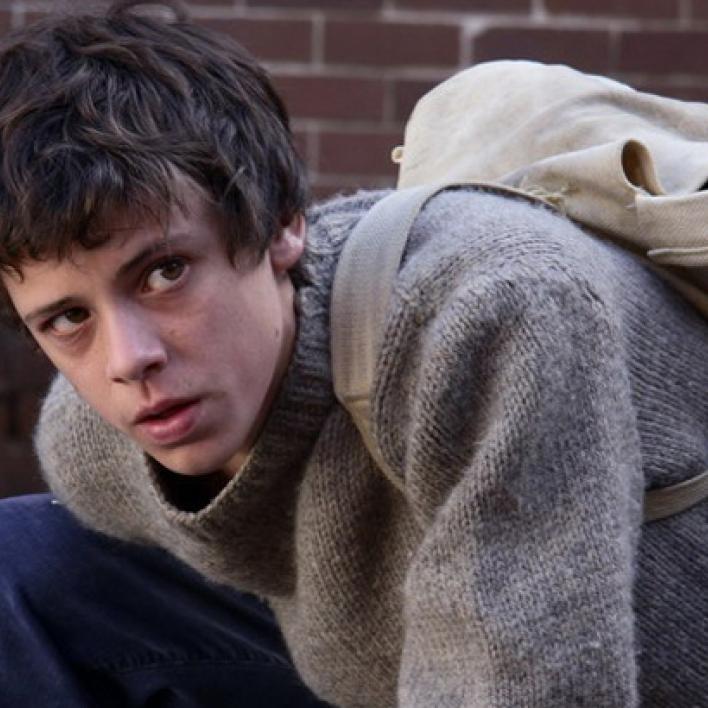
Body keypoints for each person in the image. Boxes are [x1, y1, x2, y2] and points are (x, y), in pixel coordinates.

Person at [0, 1, 706, 706]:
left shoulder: (489, 314)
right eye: (68, 317)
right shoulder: (97, 436)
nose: (128, 359)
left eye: (164, 273)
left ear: (282, 226)